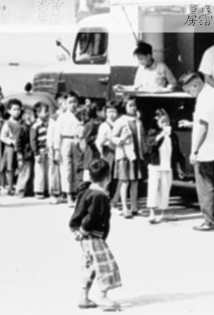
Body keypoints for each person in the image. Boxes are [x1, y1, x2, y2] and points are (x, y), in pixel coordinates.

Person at [179, 71, 214, 231]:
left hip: (206, 151)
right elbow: (210, 120)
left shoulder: (203, 99)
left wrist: (194, 151)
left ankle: (210, 222)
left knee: (205, 188)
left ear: (196, 85)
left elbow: (203, 126)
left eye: (189, 90)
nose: (189, 94)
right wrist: (192, 123)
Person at [69, 159, 121, 311]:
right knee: (106, 265)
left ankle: (83, 296)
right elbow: (91, 217)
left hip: (86, 236)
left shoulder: (87, 190)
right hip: (93, 236)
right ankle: (103, 295)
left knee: (90, 266)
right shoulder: (99, 196)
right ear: (108, 178)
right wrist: (83, 231)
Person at [145, 110, 186, 224]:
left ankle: (163, 212)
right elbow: (149, 145)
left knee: (165, 189)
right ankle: (152, 213)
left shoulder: (173, 136)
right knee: (153, 188)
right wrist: (161, 135)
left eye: (167, 121)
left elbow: (177, 152)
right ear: (157, 122)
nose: (165, 124)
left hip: (167, 166)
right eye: (162, 122)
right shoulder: (153, 132)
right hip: (155, 165)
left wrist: (179, 167)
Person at [111, 96, 146, 218]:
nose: (133, 108)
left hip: (136, 155)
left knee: (135, 181)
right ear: (125, 107)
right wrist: (121, 139)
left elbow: (142, 139)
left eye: (134, 105)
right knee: (125, 182)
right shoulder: (120, 121)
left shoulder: (138, 121)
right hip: (125, 156)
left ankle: (134, 207)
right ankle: (125, 207)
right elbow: (113, 137)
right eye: (130, 105)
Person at [55, 93, 83, 206]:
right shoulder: (62, 117)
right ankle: (68, 195)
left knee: (77, 168)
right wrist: (56, 149)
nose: (73, 105)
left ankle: (76, 193)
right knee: (66, 169)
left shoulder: (81, 116)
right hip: (65, 141)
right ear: (66, 104)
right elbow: (57, 134)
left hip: (77, 142)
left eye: (75, 102)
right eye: (70, 102)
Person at [95, 101, 120, 207]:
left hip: (118, 152)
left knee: (117, 177)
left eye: (114, 111)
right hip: (108, 152)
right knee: (107, 177)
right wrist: (102, 153)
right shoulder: (104, 126)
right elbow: (98, 142)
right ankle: (104, 199)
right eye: (109, 111)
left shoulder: (120, 124)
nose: (111, 114)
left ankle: (114, 200)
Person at [0, 99, 22, 196]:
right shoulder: (7, 123)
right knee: (10, 167)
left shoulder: (21, 122)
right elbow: (2, 136)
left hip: (20, 147)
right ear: (9, 111)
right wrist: (11, 141)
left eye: (18, 109)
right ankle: (9, 187)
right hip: (10, 148)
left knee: (20, 166)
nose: (16, 112)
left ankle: (19, 186)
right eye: (14, 109)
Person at [30, 102, 51, 199]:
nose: (47, 113)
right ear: (38, 113)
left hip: (48, 151)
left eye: (48, 111)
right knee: (39, 171)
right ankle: (38, 190)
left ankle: (46, 189)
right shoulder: (35, 126)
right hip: (40, 151)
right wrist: (36, 153)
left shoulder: (48, 124)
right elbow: (33, 140)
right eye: (45, 111)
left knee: (47, 171)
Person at [14, 106, 35, 198]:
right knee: (24, 172)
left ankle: (28, 190)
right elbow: (18, 142)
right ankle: (20, 190)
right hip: (24, 153)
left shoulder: (29, 127)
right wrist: (19, 154)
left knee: (29, 172)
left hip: (29, 153)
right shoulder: (22, 128)